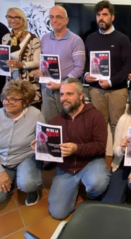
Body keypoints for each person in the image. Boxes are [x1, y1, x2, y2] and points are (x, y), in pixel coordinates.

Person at [37, 78, 110, 219]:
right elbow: (53, 151)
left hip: (90, 162)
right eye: (62, 94)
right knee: (58, 213)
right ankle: (73, 189)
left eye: (69, 94)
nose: (64, 98)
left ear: (81, 95)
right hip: (66, 168)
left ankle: (91, 193)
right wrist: (41, 148)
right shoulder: (55, 120)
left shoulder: (96, 116)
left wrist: (77, 148)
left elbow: (101, 147)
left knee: (98, 183)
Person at [0, 80, 45, 208]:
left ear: (25, 101)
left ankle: (31, 189)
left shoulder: (36, 115)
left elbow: (44, 143)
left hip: (26, 158)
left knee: (27, 183)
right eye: (5, 98)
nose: (7, 102)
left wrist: (39, 148)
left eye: (14, 99)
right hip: (1, 160)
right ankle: (8, 178)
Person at [84, 1, 131, 139]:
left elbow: (127, 66)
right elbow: (85, 62)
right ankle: (99, 158)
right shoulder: (90, 38)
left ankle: (118, 158)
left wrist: (110, 82)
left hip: (117, 91)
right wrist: (86, 74)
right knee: (97, 126)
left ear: (112, 17)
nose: (101, 18)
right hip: (95, 90)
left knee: (117, 126)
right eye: (98, 15)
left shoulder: (122, 39)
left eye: (105, 14)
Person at [36, 5, 85, 123]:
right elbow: (42, 62)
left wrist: (62, 85)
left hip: (68, 91)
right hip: (47, 90)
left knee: (70, 123)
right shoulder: (44, 38)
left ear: (66, 20)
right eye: (51, 17)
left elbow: (79, 69)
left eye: (58, 17)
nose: (54, 20)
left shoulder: (76, 40)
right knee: (50, 123)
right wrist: (39, 70)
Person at [2, 7, 42, 109]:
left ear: (23, 20)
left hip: (28, 83)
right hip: (11, 82)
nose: (13, 20)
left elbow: (38, 62)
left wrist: (22, 64)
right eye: (10, 17)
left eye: (17, 17)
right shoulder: (6, 38)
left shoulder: (33, 39)